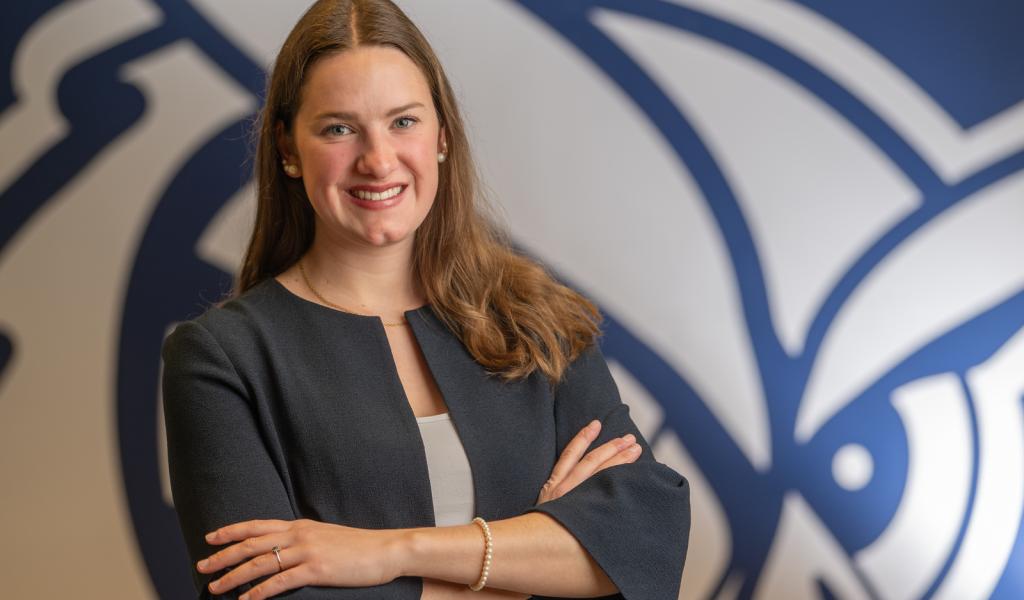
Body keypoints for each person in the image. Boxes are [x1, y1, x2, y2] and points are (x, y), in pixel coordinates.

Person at [160, 0, 691, 598]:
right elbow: (259, 592)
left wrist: (385, 553)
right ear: (287, 147)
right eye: (339, 128)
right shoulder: (219, 358)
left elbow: (645, 540)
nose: (378, 159)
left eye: (403, 122)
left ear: (442, 134)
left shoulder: (537, 320)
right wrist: (530, 560)